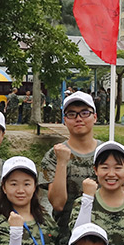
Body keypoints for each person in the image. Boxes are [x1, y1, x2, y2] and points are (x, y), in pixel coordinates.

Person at [42, 91, 100, 220]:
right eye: (72, 114)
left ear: (95, 117)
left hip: (102, 228)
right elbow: (57, 204)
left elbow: (119, 197)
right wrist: (62, 162)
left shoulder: (107, 152)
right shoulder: (54, 155)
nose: (78, 119)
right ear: (65, 120)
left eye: (85, 113)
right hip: (65, 229)